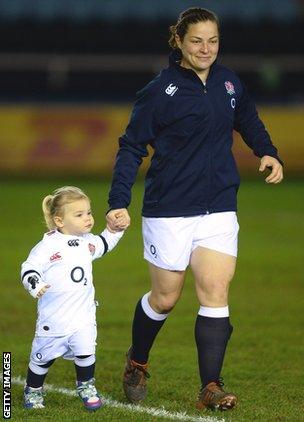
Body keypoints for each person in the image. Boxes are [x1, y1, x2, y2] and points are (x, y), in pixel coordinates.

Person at [106, 7, 283, 411]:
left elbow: (248, 119)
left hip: (219, 205)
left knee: (216, 291)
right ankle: (136, 361)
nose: (206, 49)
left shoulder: (228, 82)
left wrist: (267, 152)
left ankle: (211, 386)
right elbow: (132, 146)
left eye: (213, 41)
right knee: (166, 298)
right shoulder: (160, 90)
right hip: (169, 209)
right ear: (180, 43)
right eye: (197, 41)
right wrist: (119, 201)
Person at [21, 186, 126, 410]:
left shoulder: (87, 242)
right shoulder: (47, 246)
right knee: (42, 358)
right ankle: (33, 390)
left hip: (83, 316)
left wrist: (116, 229)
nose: (88, 218)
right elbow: (29, 268)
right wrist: (35, 284)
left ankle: (86, 386)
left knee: (86, 350)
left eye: (88, 212)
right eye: (79, 215)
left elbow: (105, 243)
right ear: (59, 221)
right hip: (54, 318)